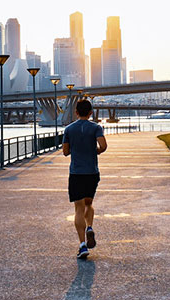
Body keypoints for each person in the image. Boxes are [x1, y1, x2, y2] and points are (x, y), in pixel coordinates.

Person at [62, 99, 107, 259]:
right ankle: (89, 227)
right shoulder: (96, 127)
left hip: (76, 173)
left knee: (78, 208)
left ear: (76, 112)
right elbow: (103, 146)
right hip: (92, 172)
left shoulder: (69, 129)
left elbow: (65, 152)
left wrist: (76, 148)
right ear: (90, 113)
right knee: (89, 203)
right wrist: (96, 151)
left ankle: (82, 245)